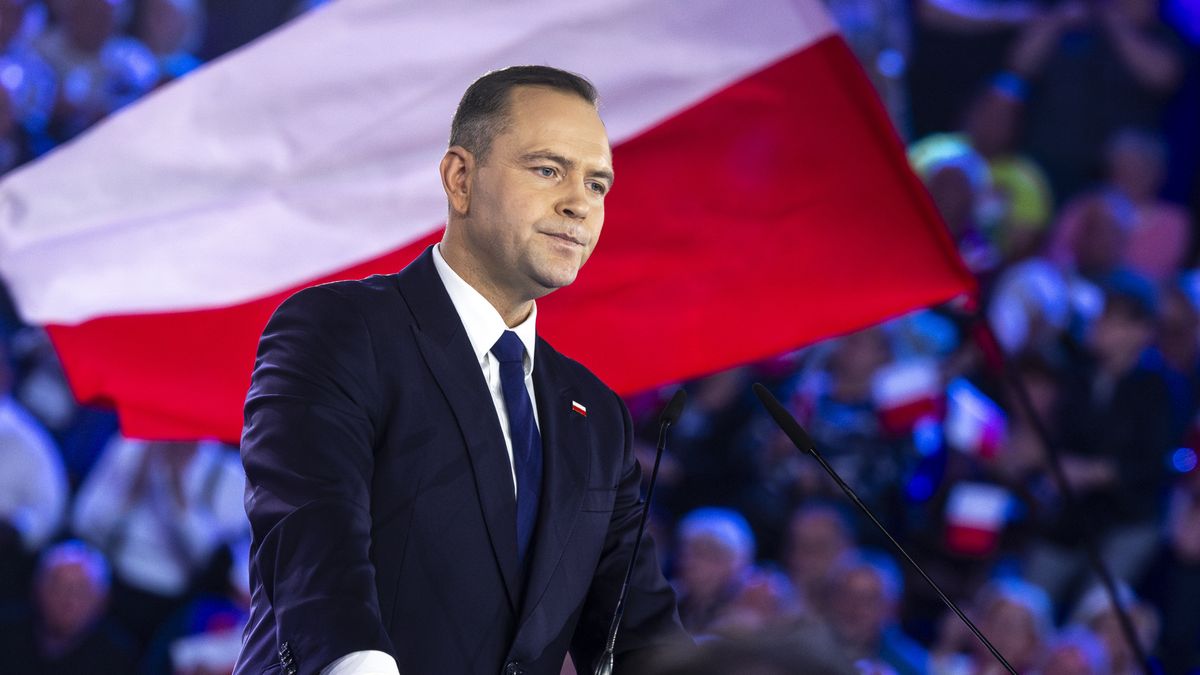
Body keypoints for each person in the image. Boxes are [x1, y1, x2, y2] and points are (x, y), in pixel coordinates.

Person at [235, 66, 689, 675]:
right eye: (548, 169)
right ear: (460, 178)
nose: (579, 202)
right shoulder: (342, 329)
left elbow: (642, 634)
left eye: (598, 183)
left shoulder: (595, 415)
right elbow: (313, 540)